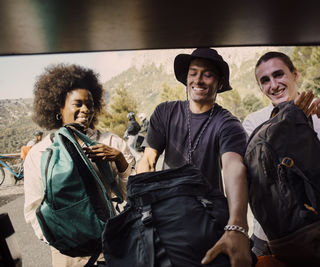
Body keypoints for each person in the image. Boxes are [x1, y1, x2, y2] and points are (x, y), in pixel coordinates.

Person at [137, 48, 252, 267]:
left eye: (207, 74)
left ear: (219, 83)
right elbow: (147, 161)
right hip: (166, 213)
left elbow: (233, 167)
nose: (198, 80)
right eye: (193, 72)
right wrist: (141, 205)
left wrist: (237, 226)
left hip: (207, 218)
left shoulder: (228, 124)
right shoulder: (165, 112)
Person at [242, 51, 320, 258]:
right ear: (260, 87)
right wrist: (290, 119)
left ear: (295, 74)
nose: (274, 84)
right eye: (265, 80)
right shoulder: (253, 122)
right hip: (273, 234)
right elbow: (258, 168)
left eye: (279, 74)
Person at [23, 63, 135, 267]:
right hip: (68, 257)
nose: (85, 109)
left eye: (90, 104)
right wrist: (60, 241)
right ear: (59, 107)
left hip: (114, 247)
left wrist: (120, 161)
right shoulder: (39, 153)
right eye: (78, 103)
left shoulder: (112, 143)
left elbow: (133, 196)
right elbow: (33, 208)